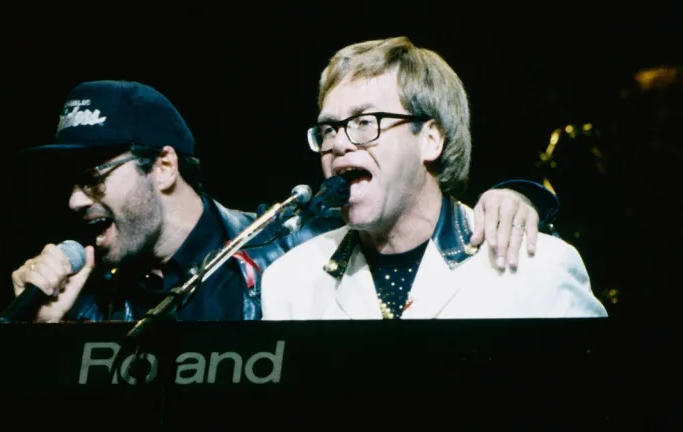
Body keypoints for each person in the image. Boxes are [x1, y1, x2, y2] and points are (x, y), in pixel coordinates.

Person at [9, 79, 561, 323]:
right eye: (329, 129)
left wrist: (521, 196)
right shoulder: (94, 298)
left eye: (94, 177)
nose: (76, 201)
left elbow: (411, 211)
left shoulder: (289, 247)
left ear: (165, 166)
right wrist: (45, 343)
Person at [260, 37, 608, 320]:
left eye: (364, 122)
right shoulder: (291, 282)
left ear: (431, 139)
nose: (337, 143)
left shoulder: (537, 267)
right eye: (328, 129)